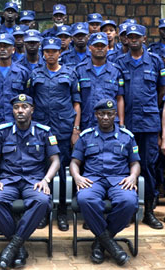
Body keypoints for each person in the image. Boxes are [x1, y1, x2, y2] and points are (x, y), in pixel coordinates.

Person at [0, 94, 60, 269]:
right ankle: (18, 249)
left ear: (32, 110)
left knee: (42, 200)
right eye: (16, 107)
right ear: (13, 111)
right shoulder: (3, 131)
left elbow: (56, 160)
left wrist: (46, 180)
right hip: (8, 180)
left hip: (34, 181)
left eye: (24, 107)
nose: (20, 110)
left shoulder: (44, 132)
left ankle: (12, 247)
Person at [70, 98, 140, 265]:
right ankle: (110, 244)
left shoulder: (127, 137)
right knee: (85, 199)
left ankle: (101, 243)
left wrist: (133, 176)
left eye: (109, 114)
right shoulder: (86, 136)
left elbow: (135, 162)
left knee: (129, 201)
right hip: (93, 179)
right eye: (102, 114)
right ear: (96, 115)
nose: (106, 117)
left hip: (119, 179)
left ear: (115, 115)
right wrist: (77, 177)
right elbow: (74, 162)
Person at [115, 24, 165, 229]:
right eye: (130, 36)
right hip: (127, 125)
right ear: (126, 39)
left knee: (148, 167)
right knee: (123, 167)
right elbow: (118, 95)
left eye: (137, 37)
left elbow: (161, 91)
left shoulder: (155, 61)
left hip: (149, 125)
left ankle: (149, 212)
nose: (133, 39)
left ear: (144, 39)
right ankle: (128, 210)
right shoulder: (119, 62)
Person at [30, 37, 81, 231]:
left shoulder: (70, 73)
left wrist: (75, 129)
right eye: (47, 51)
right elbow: (30, 103)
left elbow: (77, 103)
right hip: (41, 130)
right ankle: (44, 212)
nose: (50, 54)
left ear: (60, 53)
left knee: (61, 172)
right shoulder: (34, 74)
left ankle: (61, 213)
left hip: (63, 129)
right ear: (43, 54)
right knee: (42, 170)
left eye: (54, 51)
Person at [0, 33, 31, 165]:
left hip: (17, 124)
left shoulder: (23, 72)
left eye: (6, 46)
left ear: (13, 49)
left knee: (16, 158)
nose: (3, 49)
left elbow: (28, 99)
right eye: (0, 46)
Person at [75, 33, 125, 131]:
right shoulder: (80, 70)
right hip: (86, 123)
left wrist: (121, 123)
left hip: (110, 124)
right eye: (96, 46)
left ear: (107, 48)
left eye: (102, 46)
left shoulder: (116, 71)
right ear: (90, 48)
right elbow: (76, 101)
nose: (99, 48)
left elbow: (119, 98)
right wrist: (76, 127)